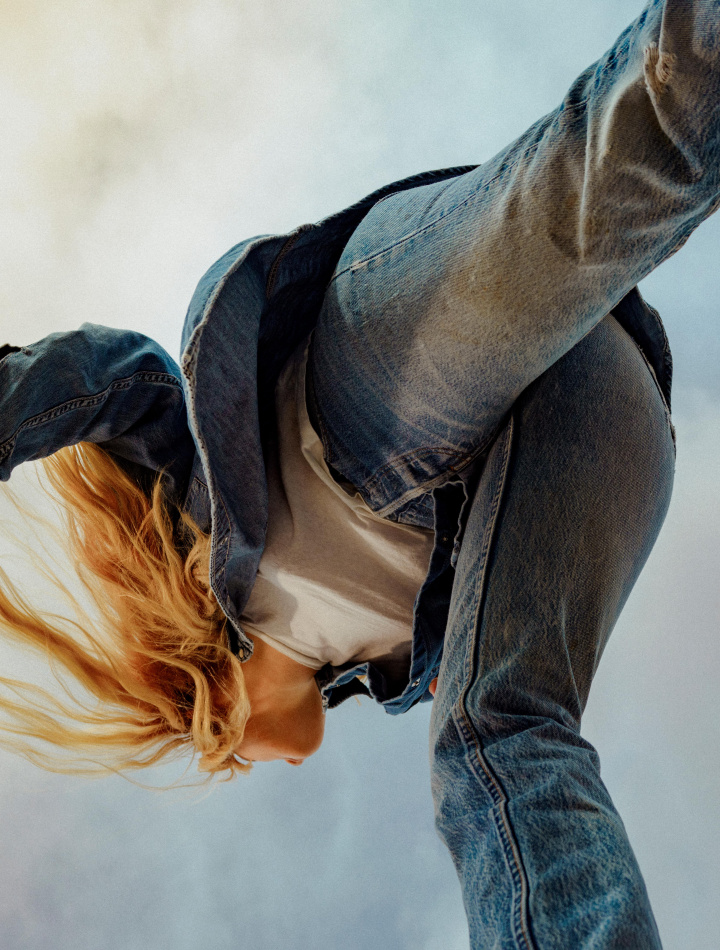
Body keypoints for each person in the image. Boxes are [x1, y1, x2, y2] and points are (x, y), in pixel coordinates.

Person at [0, 0, 718, 946]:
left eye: (233, 758)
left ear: (211, 705)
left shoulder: (202, 541)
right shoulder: (404, 668)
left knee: (598, 191)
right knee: (497, 734)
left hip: (361, 389)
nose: (277, 764)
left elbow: (125, 382)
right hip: (608, 416)